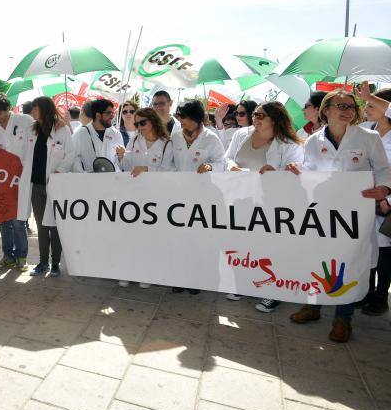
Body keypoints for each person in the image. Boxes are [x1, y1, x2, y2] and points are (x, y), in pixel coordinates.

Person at [285, 89, 391, 342]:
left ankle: (343, 319)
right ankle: (313, 306)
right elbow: (310, 172)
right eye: (340, 105)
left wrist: (385, 188)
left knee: (349, 263)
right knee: (317, 258)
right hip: (322, 212)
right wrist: (298, 172)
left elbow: (384, 168)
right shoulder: (312, 141)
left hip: (355, 213)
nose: (347, 110)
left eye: (351, 106)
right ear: (326, 110)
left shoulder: (369, 137)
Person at [224, 101, 304, 305]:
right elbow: (227, 158)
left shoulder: (289, 144)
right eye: (255, 115)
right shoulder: (241, 135)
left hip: (271, 204)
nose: (255, 119)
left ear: (275, 119)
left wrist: (276, 173)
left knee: (269, 248)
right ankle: (242, 284)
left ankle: (272, 291)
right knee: (241, 245)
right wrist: (232, 167)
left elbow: (296, 175)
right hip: (241, 199)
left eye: (261, 116)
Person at [169, 100, 226, 294]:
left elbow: (221, 163)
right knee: (179, 238)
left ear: (196, 118)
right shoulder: (175, 137)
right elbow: (170, 163)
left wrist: (210, 167)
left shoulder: (212, 138)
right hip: (179, 195)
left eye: (183, 117)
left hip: (203, 197)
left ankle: (197, 279)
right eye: (178, 117)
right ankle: (179, 277)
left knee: (199, 240)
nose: (180, 120)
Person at [118, 107, 174, 288]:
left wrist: (147, 170)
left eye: (143, 122)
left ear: (153, 121)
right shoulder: (134, 140)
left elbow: (171, 170)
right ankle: (128, 271)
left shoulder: (167, 143)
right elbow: (127, 165)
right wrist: (120, 156)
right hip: (133, 195)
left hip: (156, 196)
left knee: (151, 237)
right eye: (136, 124)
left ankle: (147, 273)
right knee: (130, 236)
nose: (139, 126)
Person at [25, 96, 74, 278]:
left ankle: (55, 263)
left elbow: (70, 154)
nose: (32, 112)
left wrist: (59, 172)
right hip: (37, 186)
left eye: (35, 109)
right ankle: (43, 262)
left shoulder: (62, 130)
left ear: (44, 109)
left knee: (55, 225)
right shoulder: (33, 130)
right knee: (41, 225)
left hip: (55, 185)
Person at [0, 94, 33, 272]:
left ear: (9, 108)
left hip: (23, 177)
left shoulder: (25, 121)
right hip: (2, 179)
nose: (0, 116)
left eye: (2, 112)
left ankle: (21, 256)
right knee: (3, 219)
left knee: (18, 220)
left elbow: (40, 136)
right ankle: (8, 256)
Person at [356, 85, 391, 315]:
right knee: (366, 248)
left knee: (385, 251)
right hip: (363, 199)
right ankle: (365, 291)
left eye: (372, 104)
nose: (367, 108)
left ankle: (380, 297)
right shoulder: (365, 131)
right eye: (366, 104)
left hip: (385, 203)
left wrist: (388, 198)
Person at [72, 98, 124, 172]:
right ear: (98, 115)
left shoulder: (116, 134)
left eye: (113, 113)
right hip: (90, 181)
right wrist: (83, 175)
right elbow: (73, 159)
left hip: (113, 180)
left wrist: (121, 156)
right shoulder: (80, 133)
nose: (112, 116)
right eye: (109, 113)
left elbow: (121, 163)